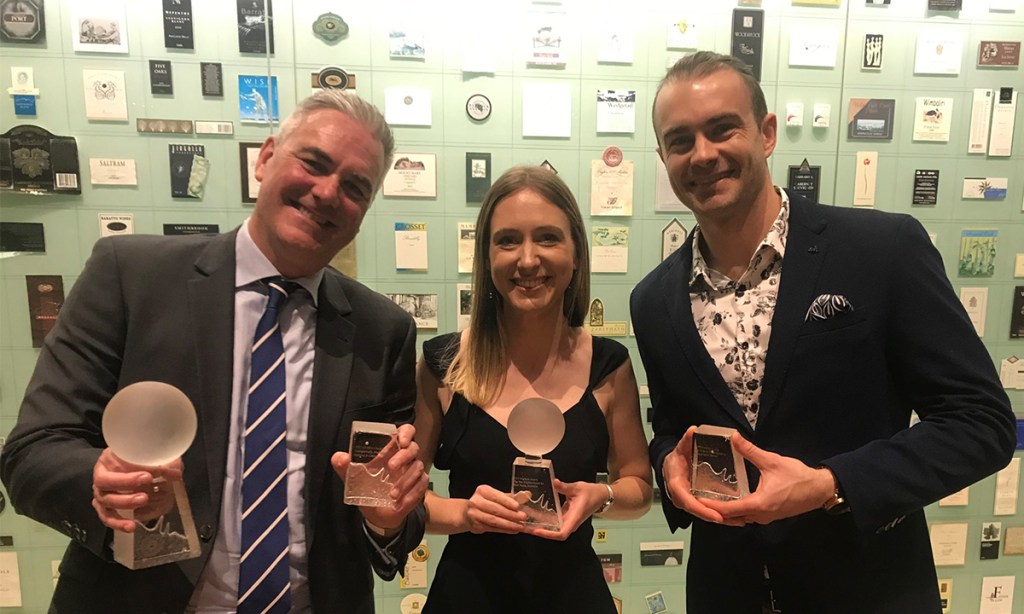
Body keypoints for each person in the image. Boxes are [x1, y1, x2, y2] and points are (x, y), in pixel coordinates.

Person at [0, 89, 429, 613]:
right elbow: (33, 451)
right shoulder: (130, 278)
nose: (327, 192)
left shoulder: (382, 331)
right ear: (266, 158)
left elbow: (388, 517)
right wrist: (102, 482)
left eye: (356, 187)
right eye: (313, 163)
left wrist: (388, 518)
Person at [632, 51, 1016, 613]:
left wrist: (834, 484)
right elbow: (670, 426)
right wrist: (668, 464)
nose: (704, 154)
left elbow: (981, 424)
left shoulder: (882, 250)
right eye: (681, 140)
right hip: (725, 593)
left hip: (868, 591)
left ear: (765, 134)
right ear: (664, 156)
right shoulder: (653, 299)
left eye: (722, 129)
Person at [415, 166, 653, 613]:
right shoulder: (443, 365)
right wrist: (464, 514)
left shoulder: (609, 366)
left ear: (577, 253)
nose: (527, 260)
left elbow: (638, 486)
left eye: (547, 238)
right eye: (507, 240)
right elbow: (408, 501)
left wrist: (600, 496)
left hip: (574, 596)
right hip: (466, 598)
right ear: (486, 258)